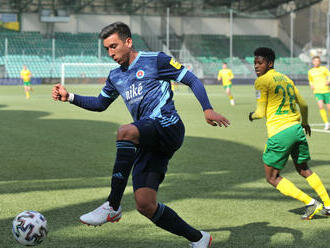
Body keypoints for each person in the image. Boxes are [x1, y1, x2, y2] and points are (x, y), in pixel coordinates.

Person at [52, 22, 230, 247]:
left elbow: (191, 79)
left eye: (114, 46)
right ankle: (199, 238)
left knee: (125, 131)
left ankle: (112, 206)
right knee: (145, 204)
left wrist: (207, 108)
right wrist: (70, 97)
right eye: (107, 48)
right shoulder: (115, 76)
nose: (111, 53)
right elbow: (99, 103)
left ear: (128, 42)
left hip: (168, 125)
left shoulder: (156, 60)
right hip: (148, 138)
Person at [249, 47, 330, 220]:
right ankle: (328, 204)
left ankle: (311, 203)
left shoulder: (261, 82)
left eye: (260, 62)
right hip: (296, 129)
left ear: (270, 63)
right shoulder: (287, 79)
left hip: (280, 132)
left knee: (272, 177)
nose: (256, 66)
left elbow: (260, 112)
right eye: (255, 63)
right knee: (303, 169)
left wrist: (251, 115)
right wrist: (305, 123)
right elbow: (304, 105)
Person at [308, 56, 330, 130]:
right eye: (315, 61)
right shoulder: (310, 71)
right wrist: (311, 85)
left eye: (318, 61)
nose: (316, 62)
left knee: (329, 108)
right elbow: (310, 80)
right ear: (313, 62)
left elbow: (329, 75)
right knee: (321, 106)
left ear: (319, 62)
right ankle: (326, 123)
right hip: (317, 92)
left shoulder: (324, 69)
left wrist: (329, 81)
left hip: (326, 91)